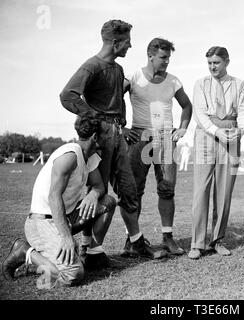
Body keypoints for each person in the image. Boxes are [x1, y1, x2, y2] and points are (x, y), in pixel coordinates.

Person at [60, 21, 165, 259]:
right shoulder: (92, 65)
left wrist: (122, 126)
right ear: (115, 42)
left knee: (129, 190)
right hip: (100, 138)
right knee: (98, 192)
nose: (130, 45)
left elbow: (118, 101)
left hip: (118, 137)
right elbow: (68, 95)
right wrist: (95, 118)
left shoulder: (117, 70)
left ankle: (136, 243)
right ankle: (90, 249)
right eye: (127, 41)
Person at [1, 116, 117, 287]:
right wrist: (66, 237)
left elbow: (99, 187)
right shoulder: (70, 155)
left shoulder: (90, 156)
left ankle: (91, 253)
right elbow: (53, 196)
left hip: (66, 217)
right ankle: (24, 251)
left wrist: (93, 195)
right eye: (106, 134)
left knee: (108, 201)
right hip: (42, 221)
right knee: (73, 274)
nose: (109, 139)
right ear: (94, 137)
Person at [121, 38, 192, 256]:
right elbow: (115, 99)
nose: (166, 61)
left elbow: (187, 105)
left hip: (165, 138)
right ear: (150, 55)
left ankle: (168, 237)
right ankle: (132, 240)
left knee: (167, 189)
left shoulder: (173, 81)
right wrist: (122, 127)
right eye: (163, 57)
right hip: (140, 136)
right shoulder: (133, 77)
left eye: (169, 58)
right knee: (135, 191)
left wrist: (182, 128)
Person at [188, 46, 244, 259]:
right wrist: (217, 132)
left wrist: (239, 132)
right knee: (201, 190)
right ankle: (197, 243)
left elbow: (243, 112)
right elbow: (200, 114)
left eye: (216, 62)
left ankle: (217, 240)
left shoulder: (239, 84)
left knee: (224, 191)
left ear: (226, 62)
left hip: (231, 135)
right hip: (206, 134)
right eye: (209, 63)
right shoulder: (201, 84)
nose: (213, 67)